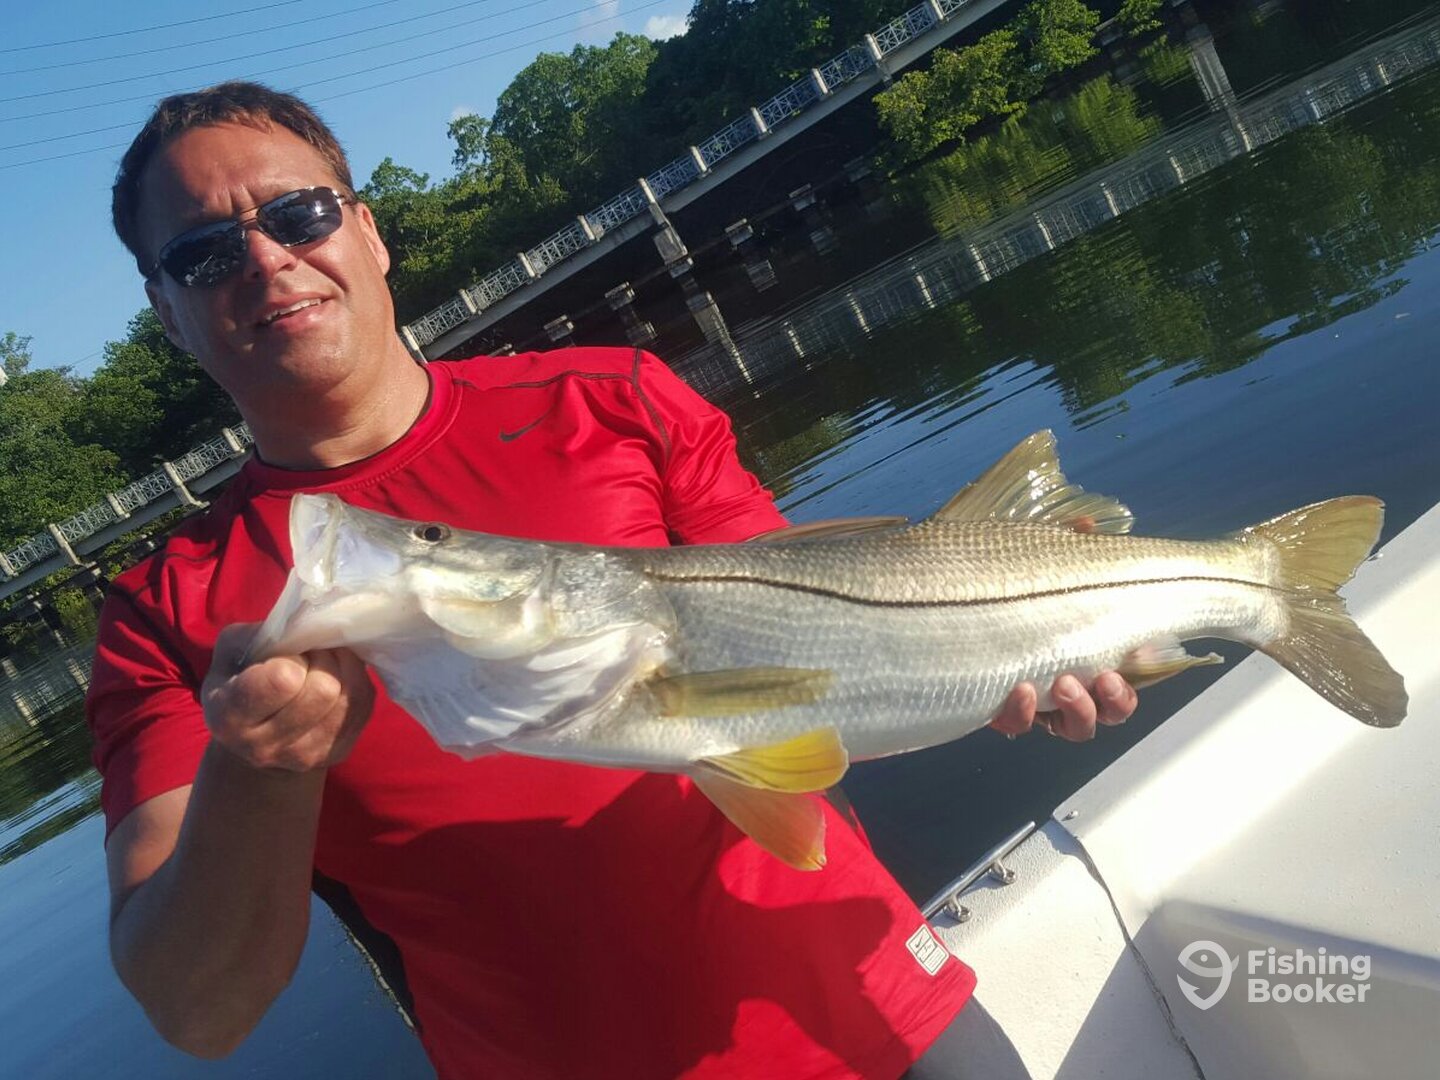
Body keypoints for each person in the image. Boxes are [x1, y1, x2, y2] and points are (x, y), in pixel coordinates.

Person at [88, 82, 1138, 1079]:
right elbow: (198, 1010)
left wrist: (1008, 641)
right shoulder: (164, 613)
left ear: (366, 231)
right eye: (208, 252)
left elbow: (817, 650)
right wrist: (261, 771)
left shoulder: (611, 398)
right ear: (169, 310)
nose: (268, 261)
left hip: (879, 1020)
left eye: (299, 213)